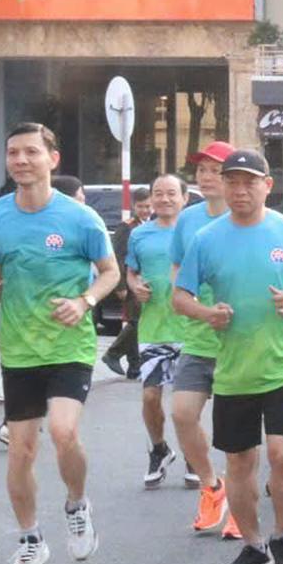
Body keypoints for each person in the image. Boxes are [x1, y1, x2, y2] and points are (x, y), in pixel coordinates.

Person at [0, 123, 119, 564]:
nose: (20, 160)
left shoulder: (80, 218)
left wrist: (84, 302)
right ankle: (30, 540)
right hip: (19, 347)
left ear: (52, 159)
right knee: (21, 450)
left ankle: (77, 504)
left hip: (69, 343)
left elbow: (109, 272)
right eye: (13, 152)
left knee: (63, 431)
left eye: (31, 152)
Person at [173, 149, 283, 564]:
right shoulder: (207, 238)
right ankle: (254, 546)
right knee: (238, 460)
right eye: (231, 181)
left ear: (267, 186)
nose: (239, 190)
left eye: (249, 182)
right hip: (234, 369)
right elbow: (180, 296)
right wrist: (206, 314)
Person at [167, 140, 236, 538]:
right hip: (197, 338)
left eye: (215, 171)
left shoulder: (245, 218)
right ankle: (212, 485)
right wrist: (195, 305)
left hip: (238, 341)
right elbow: (177, 273)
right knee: (182, 414)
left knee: (237, 431)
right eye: (202, 170)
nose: (207, 177)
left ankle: (241, 504)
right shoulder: (188, 220)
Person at [125, 175, 188, 488]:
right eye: (158, 193)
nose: (164, 199)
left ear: (185, 198)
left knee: (186, 404)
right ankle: (159, 448)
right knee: (151, 396)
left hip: (191, 329)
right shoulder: (139, 234)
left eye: (171, 193)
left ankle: (193, 455)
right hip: (153, 328)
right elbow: (131, 272)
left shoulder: (197, 232)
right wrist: (135, 286)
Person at [101, 187, 151, 379]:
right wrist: (120, 285)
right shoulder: (127, 228)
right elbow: (118, 258)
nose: (145, 210)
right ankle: (113, 354)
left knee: (137, 322)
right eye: (141, 206)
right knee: (136, 321)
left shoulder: (154, 224)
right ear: (134, 206)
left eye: (148, 206)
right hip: (131, 282)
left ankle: (134, 367)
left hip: (147, 281)